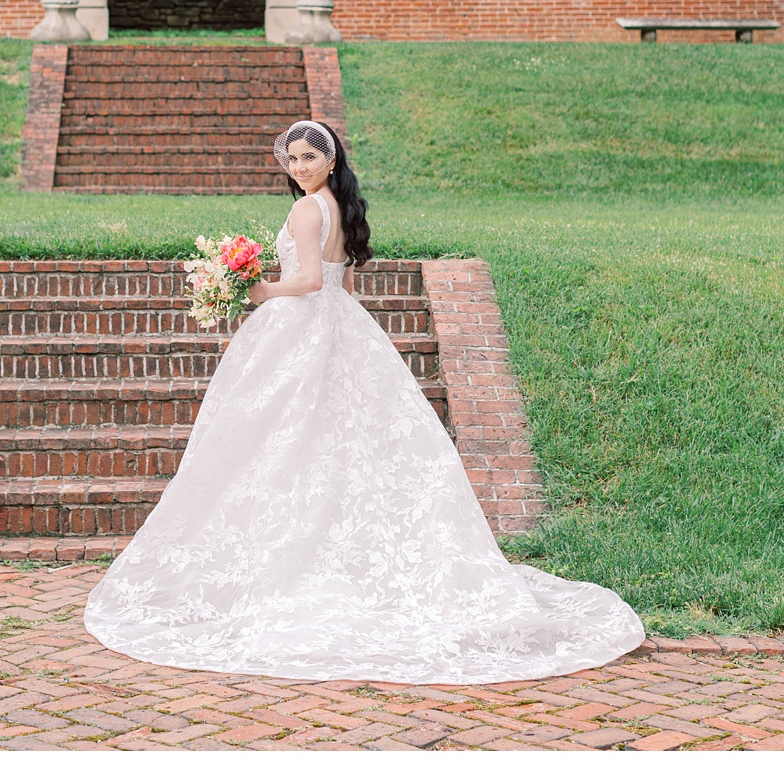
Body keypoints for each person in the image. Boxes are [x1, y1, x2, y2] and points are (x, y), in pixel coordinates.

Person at [83, 118, 644, 683]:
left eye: (309, 157)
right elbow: (344, 285)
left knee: (287, 439)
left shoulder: (308, 210)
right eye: (292, 159)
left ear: (331, 161)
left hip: (300, 325)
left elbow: (309, 281)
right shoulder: (340, 207)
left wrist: (260, 290)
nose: (299, 167)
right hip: (340, 325)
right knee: (337, 439)